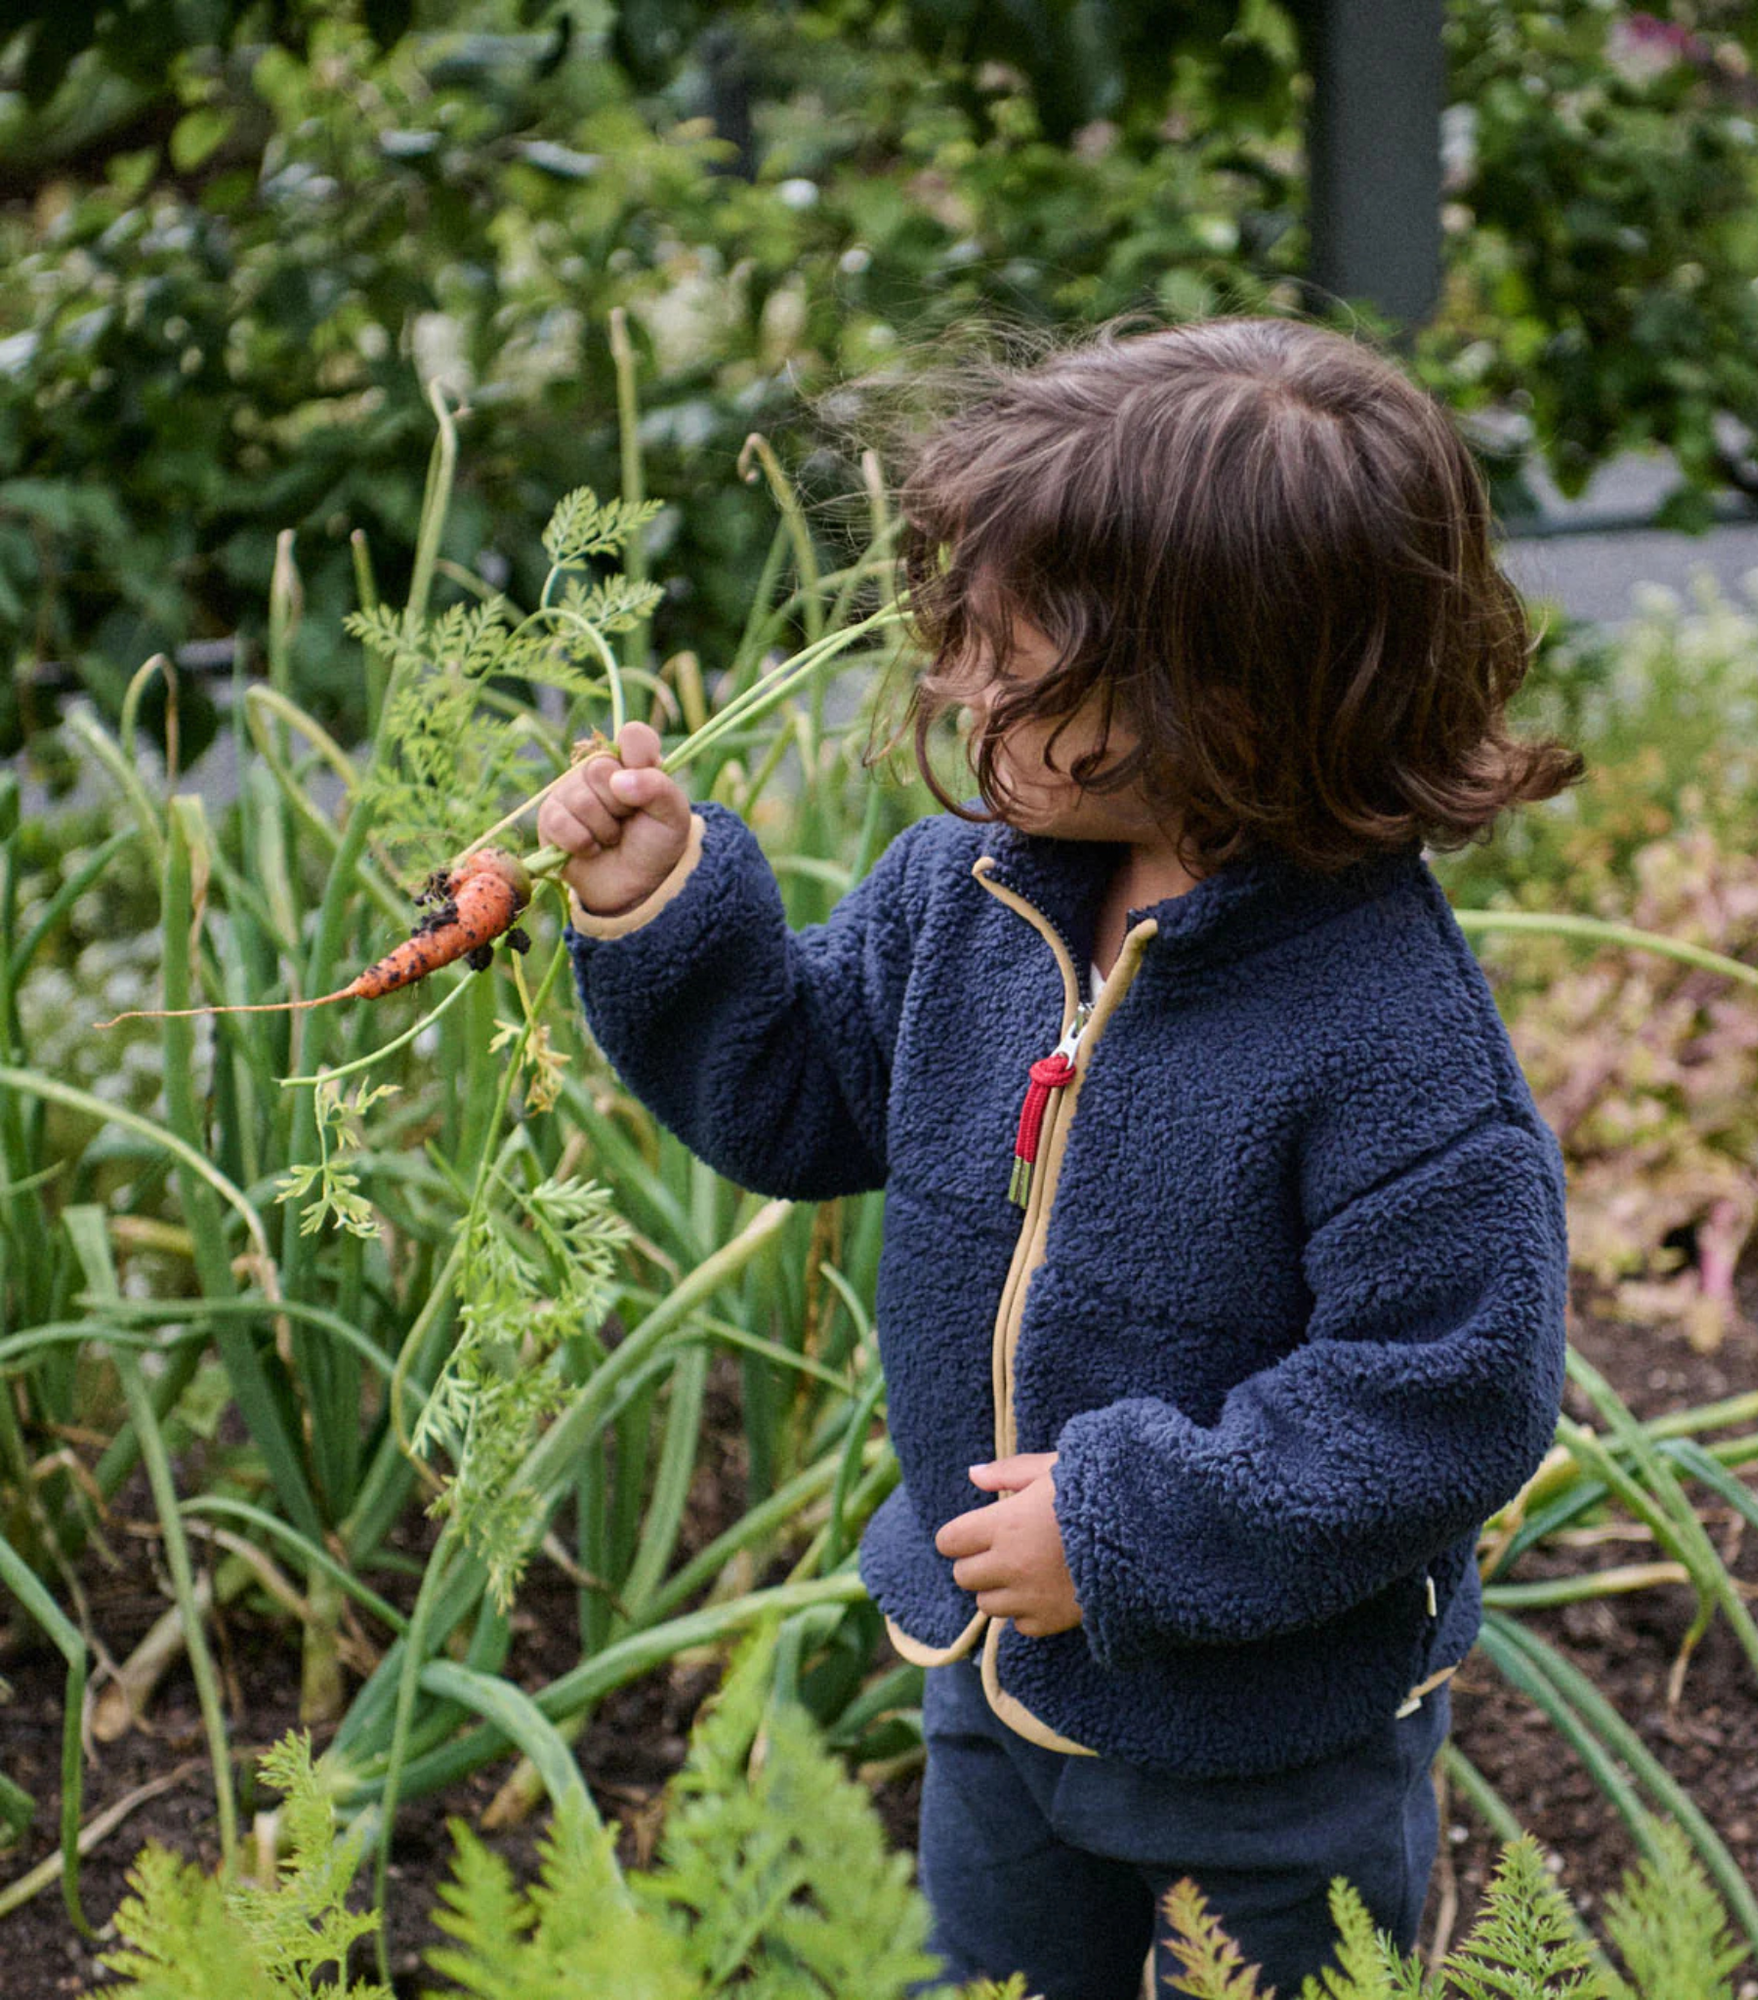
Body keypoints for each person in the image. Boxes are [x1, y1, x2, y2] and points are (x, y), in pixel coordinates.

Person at [538, 314, 1582, 2000]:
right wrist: (659, 909)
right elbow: (799, 1098)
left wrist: (1120, 1529)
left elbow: (1450, 1390)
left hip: (1265, 1741)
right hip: (995, 1670)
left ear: (1227, 703)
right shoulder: (973, 904)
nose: (954, 682)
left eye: (1008, 659)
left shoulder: (1390, 1036)